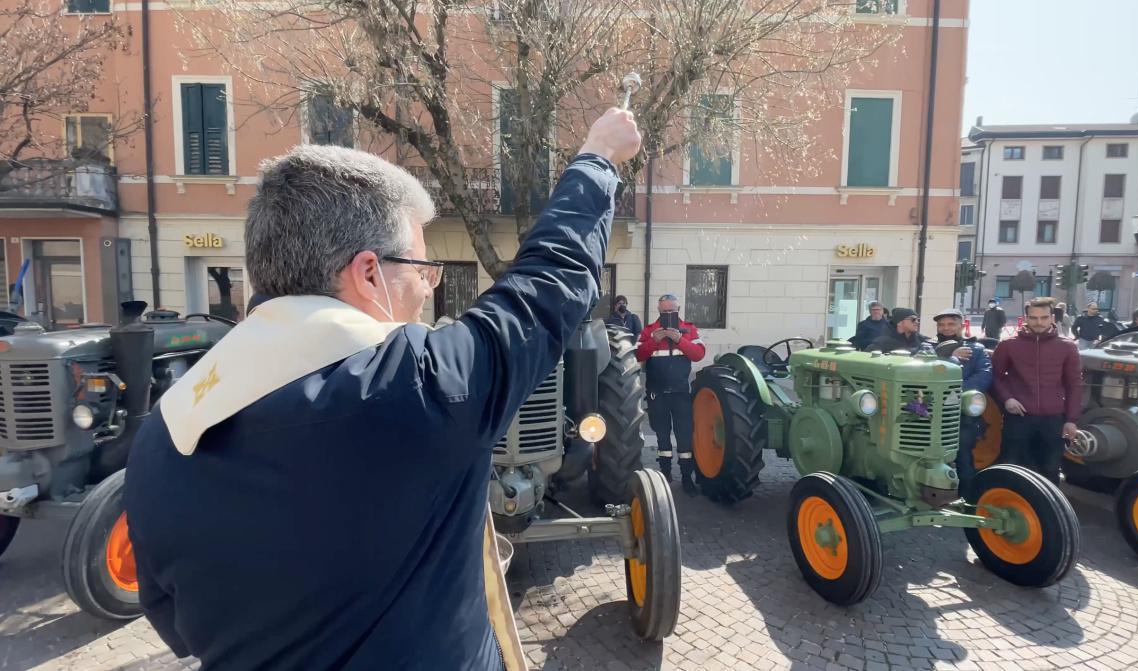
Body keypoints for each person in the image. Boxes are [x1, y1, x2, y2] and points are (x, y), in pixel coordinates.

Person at [124, 109, 642, 669]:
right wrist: (598, 156)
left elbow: (172, 620)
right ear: (369, 273)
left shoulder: (163, 434)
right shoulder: (418, 386)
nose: (425, 288)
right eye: (422, 268)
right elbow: (551, 279)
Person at [991, 297, 1082, 484]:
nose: (1038, 322)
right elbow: (995, 376)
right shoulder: (1009, 345)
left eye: (1043, 317)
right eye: (1033, 318)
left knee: (1050, 469)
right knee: (1012, 467)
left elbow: (1074, 385)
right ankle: (1007, 507)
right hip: (1019, 417)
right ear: (1026, 318)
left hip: (1053, 418)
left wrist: (1071, 420)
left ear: (1052, 318)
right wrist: (1007, 398)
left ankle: (1047, 511)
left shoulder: (1067, 347)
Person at [636, 294, 705, 494]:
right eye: (665, 311)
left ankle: (686, 478)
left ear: (678, 309)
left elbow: (698, 354)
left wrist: (680, 340)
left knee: (684, 437)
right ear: (659, 310)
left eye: (672, 311)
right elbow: (638, 355)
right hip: (657, 393)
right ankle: (665, 475)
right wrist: (653, 341)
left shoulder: (689, 329)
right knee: (662, 437)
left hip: (681, 393)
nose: (668, 314)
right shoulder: (649, 330)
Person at [933, 309, 993, 494]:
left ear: (961, 325)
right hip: (930, 415)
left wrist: (954, 392)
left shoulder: (976, 350)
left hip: (961, 416)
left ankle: (966, 499)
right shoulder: (928, 348)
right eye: (941, 325)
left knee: (963, 458)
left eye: (951, 324)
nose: (946, 328)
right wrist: (948, 354)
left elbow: (984, 376)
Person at [866, 307, 932, 354]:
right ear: (899, 322)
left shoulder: (920, 339)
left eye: (918, 319)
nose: (917, 322)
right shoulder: (882, 342)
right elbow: (866, 358)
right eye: (913, 319)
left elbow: (936, 345)